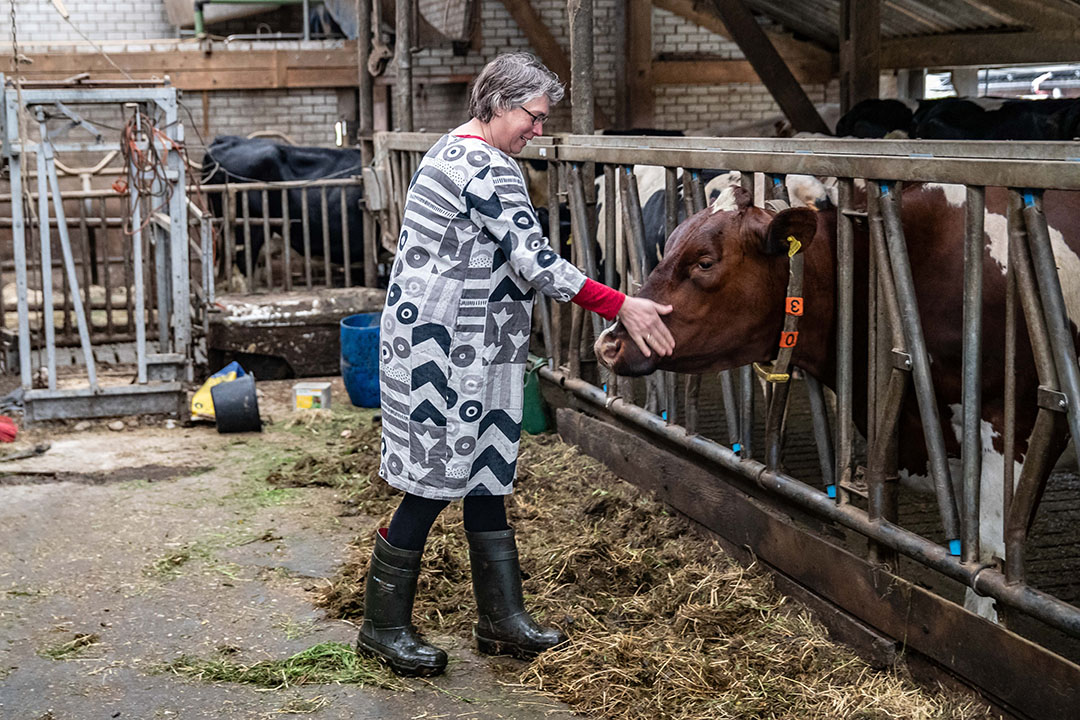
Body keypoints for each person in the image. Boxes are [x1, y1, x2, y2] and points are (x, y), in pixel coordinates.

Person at [357, 52, 675, 676]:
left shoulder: (449, 149)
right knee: (432, 482)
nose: (538, 129)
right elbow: (536, 263)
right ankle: (381, 626)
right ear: (500, 104)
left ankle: (500, 621)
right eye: (534, 116)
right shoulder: (487, 167)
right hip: (449, 353)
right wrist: (621, 305)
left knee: (485, 474)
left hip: (460, 344)